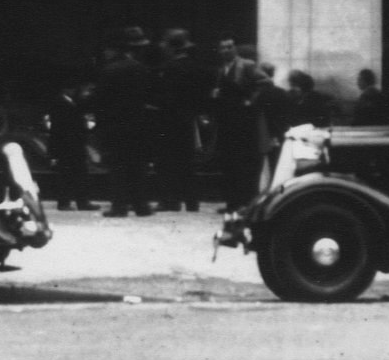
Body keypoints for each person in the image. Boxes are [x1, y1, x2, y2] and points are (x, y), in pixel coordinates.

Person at [93, 29, 159, 218]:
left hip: (115, 126)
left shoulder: (109, 70)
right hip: (139, 125)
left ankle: (119, 205)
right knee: (138, 166)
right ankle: (141, 205)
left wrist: (101, 127)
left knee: (118, 167)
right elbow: (151, 98)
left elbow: (101, 102)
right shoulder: (143, 70)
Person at [152, 28, 208, 212]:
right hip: (187, 120)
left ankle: (170, 200)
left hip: (169, 121)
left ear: (171, 47)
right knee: (187, 162)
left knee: (168, 161)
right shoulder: (195, 66)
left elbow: (165, 98)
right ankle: (192, 201)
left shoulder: (169, 68)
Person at [209, 39, 265, 209]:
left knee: (243, 161)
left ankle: (245, 201)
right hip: (226, 120)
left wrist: (250, 101)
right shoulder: (221, 69)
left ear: (235, 48)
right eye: (223, 47)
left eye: (230, 47)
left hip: (243, 121)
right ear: (218, 50)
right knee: (228, 161)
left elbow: (264, 82)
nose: (226, 50)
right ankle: (232, 202)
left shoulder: (246, 65)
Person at [46, 79, 96, 211]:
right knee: (67, 174)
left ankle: (81, 201)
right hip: (67, 145)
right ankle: (65, 202)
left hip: (73, 144)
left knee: (78, 173)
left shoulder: (70, 102)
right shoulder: (61, 103)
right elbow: (59, 128)